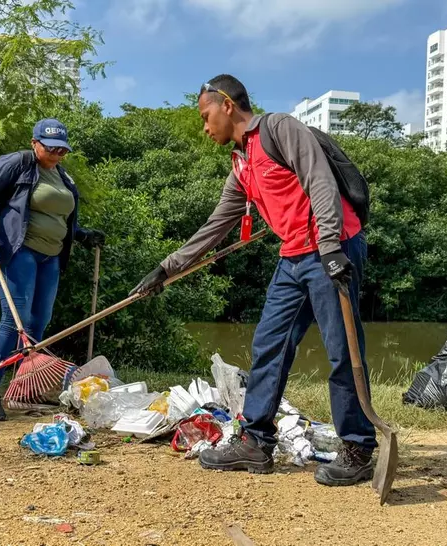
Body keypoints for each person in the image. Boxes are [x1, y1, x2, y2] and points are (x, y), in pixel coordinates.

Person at [130, 75, 376, 486]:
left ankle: (358, 447)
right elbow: (216, 226)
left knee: (341, 351)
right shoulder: (241, 164)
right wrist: (166, 267)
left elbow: (320, 179)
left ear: (227, 105)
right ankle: (256, 442)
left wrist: (331, 245)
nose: (205, 127)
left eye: (206, 116)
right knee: (268, 344)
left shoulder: (279, 128)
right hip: (293, 256)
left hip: (331, 248)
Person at [0, 118, 105, 421]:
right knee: (13, 320)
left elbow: (61, 216)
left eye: (62, 150)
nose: (57, 154)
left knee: (38, 323)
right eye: (51, 147)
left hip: (51, 256)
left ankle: (24, 392)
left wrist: (82, 235)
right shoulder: (19, 163)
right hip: (19, 250)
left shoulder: (63, 176)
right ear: (35, 143)